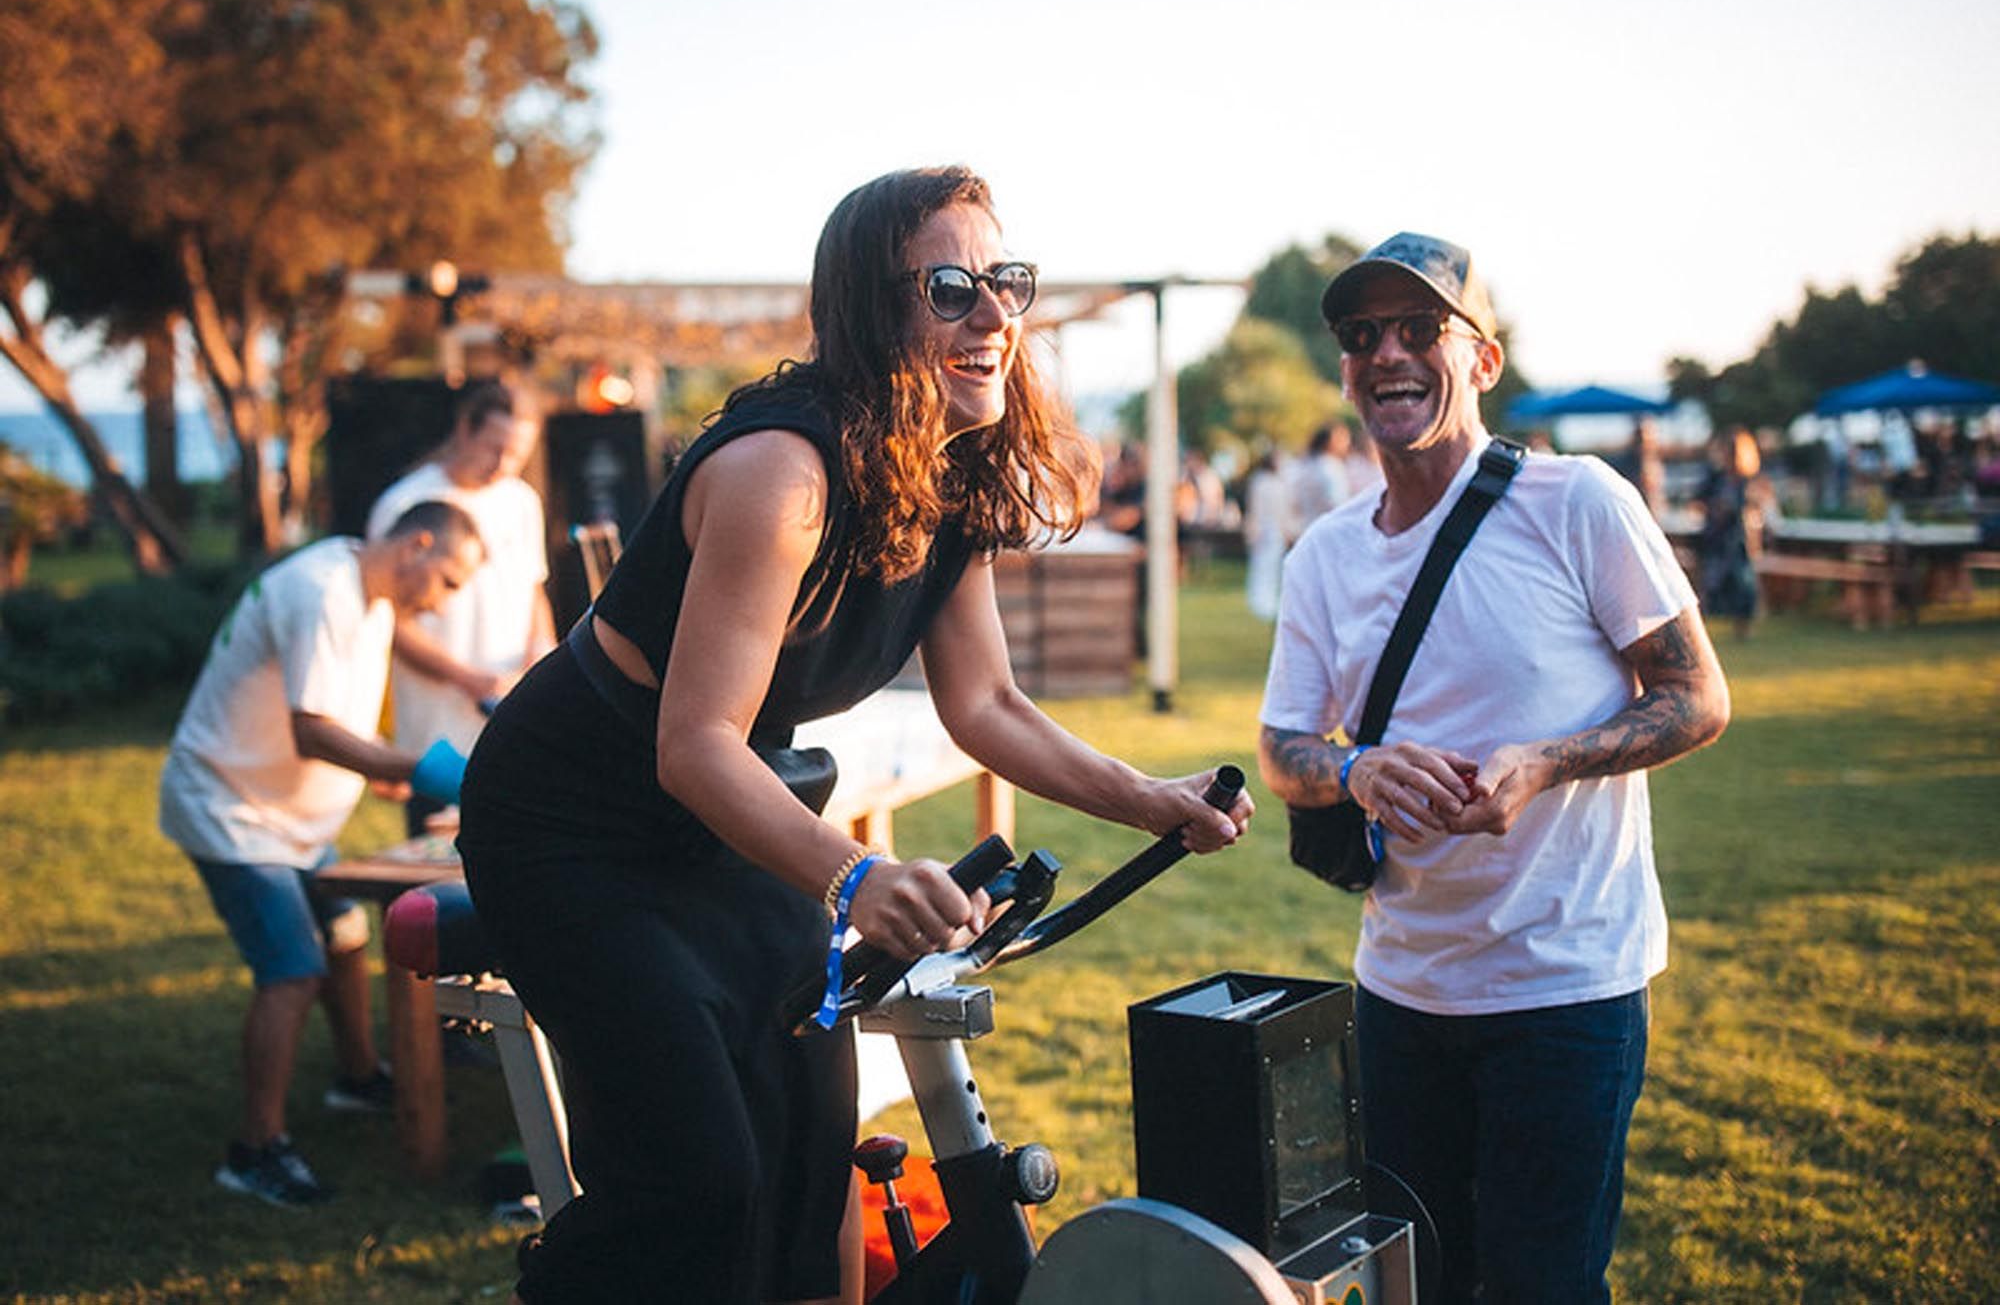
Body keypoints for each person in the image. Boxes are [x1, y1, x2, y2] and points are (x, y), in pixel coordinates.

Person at [456, 167, 1253, 1305]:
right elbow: (690, 743)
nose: (993, 318)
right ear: (871, 312)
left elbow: (985, 708)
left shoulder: (953, 478)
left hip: (727, 812)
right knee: (699, 1182)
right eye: (949, 288)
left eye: (1004, 283)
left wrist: (1152, 799)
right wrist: (857, 875)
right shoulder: (780, 472)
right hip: (572, 823)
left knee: (808, 1153)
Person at [1256, 232, 1730, 1304]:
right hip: (1400, 992)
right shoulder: (1323, 554)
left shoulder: (1578, 504)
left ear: (1480, 360)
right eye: (1361, 335)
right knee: (1413, 1284)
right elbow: (1282, 748)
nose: (1387, 354)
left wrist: (1544, 762)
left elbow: (1695, 695)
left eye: (1420, 329)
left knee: (1538, 1285)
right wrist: (1357, 772)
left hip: (1565, 989)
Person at [159, 501, 487, 1207]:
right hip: (232, 807)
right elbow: (313, 731)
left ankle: (359, 1077)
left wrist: (385, 767)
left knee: (344, 935)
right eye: (449, 580)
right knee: (292, 970)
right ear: (417, 544)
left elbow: (332, 716)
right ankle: (255, 1148)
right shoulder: (322, 592)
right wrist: (434, 771)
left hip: (296, 817)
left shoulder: (360, 583)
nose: (441, 601)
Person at [365, 383, 554, 835]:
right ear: (464, 430)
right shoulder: (404, 503)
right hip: (436, 729)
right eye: (495, 449)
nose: (504, 467)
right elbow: (386, 619)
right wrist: (465, 678)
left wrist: (543, 661)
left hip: (509, 719)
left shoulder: (522, 500)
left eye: (518, 455)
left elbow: (533, 591)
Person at [1695, 425, 1770, 639]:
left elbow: (1762, 507)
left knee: (1743, 584)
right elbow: (1698, 500)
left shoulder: (1751, 480)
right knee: (1712, 583)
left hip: (1741, 540)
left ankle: (1743, 627)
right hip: (1716, 539)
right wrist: (1714, 508)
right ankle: (1705, 628)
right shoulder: (1715, 477)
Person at [1242, 448, 1289, 621]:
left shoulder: (1279, 482)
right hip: (1262, 529)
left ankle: (1270, 601)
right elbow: (1255, 508)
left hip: (1276, 530)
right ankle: (1259, 601)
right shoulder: (1260, 481)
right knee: (1261, 566)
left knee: (1274, 567)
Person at [1286, 422, 1353, 535]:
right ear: (1331, 441)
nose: (1347, 443)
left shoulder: (1305, 464)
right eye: (1343, 438)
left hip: (1306, 530)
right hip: (1329, 532)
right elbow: (1338, 504)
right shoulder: (1331, 467)